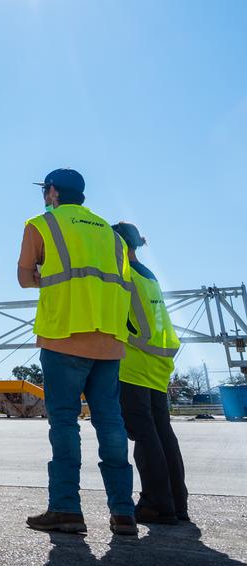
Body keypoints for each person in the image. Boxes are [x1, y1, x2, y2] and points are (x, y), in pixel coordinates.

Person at [20, 168, 136, 536]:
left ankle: (67, 508)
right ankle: (123, 513)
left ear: (52, 192)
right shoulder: (112, 234)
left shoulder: (43, 223)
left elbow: (25, 277)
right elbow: (122, 283)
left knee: (65, 423)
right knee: (111, 424)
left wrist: (44, 276)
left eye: (45, 191)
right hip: (110, 339)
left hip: (64, 335)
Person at [114, 221, 188, 524]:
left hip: (134, 363)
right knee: (161, 431)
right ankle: (177, 502)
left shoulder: (125, 275)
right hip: (158, 364)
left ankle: (156, 504)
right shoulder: (149, 275)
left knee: (144, 434)